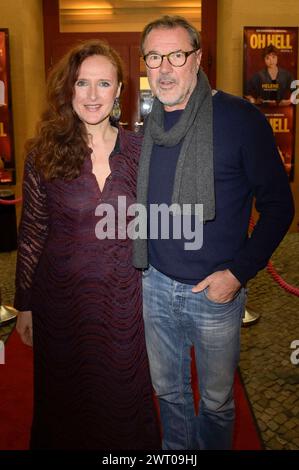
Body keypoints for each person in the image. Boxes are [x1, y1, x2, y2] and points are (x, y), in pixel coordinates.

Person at [133, 16, 294, 450]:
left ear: (198, 58)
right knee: (168, 392)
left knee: (218, 402)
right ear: (144, 63)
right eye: (153, 56)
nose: (164, 67)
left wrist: (236, 275)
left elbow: (280, 207)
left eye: (177, 55)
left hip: (214, 294)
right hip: (155, 285)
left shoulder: (241, 119)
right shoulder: (149, 124)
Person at [15, 39, 160, 450]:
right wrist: (25, 303)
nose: (93, 95)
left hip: (124, 301)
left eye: (103, 84)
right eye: (83, 83)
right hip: (61, 301)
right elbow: (32, 233)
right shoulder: (42, 153)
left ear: (119, 91)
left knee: (123, 395)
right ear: (69, 89)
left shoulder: (140, 151)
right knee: (65, 399)